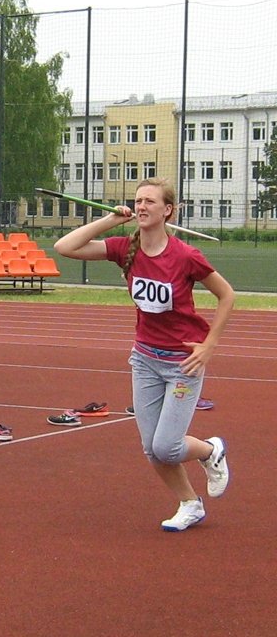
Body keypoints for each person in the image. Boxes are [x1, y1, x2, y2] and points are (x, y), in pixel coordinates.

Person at [54, 177, 234, 532]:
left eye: (150, 201)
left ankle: (211, 450)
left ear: (168, 210)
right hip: (145, 360)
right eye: (138, 201)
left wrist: (210, 344)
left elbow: (227, 295)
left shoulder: (185, 256)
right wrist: (110, 220)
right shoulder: (125, 248)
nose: (141, 207)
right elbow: (65, 247)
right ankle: (189, 504)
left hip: (182, 363)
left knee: (166, 447)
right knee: (152, 450)